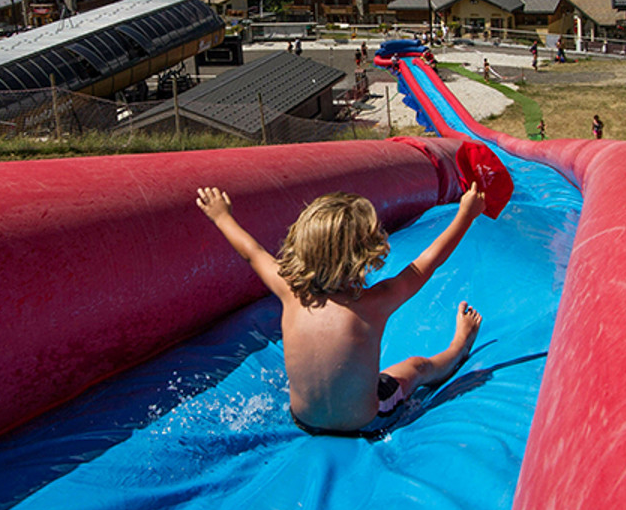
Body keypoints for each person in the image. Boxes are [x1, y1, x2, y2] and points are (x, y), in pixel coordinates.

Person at [195, 184, 486, 436]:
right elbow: (427, 262)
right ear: (362, 256)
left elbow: (252, 252)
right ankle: (459, 347)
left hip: (304, 421)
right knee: (416, 367)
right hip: (366, 422)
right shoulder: (373, 303)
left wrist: (222, 217)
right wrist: (465, 215)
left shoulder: (289, 290)